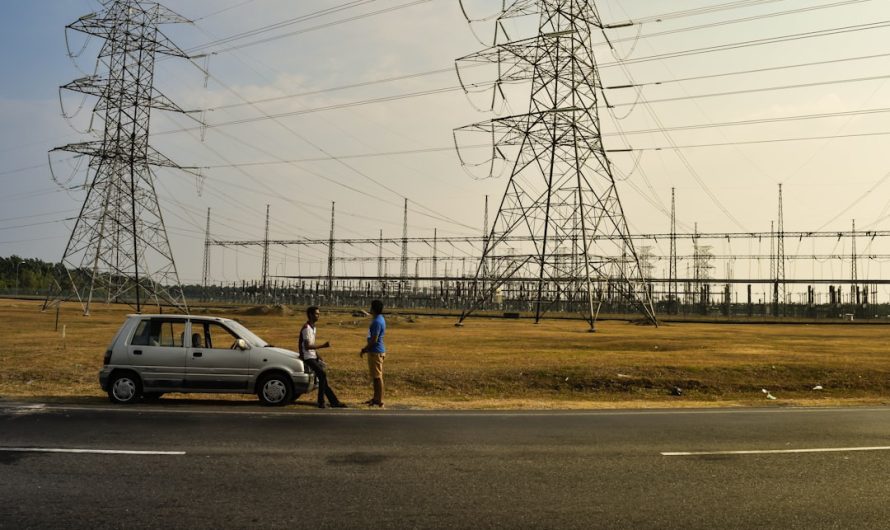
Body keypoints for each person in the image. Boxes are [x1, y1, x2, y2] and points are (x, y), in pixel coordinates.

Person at [299, 306, 347, 409]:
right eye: (316, 314)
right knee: (322, 374)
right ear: (311, 315)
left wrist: (318, 356)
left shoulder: (313, 327)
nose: (318, 316)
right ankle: (322, 402)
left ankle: (333, 402)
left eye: (318, 314)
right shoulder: (306, 328)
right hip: (307, 357)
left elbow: (312, 344)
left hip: (312, 356)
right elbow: (307, 347)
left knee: (323, 378)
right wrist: (323, 346)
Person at [359, 299, 386, 407]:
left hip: (376, 352)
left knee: (378, 377)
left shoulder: (377, 322)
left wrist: (364, 349)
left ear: (373, 309)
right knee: (375, 377)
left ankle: (379, 399)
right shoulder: (379, 319)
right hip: (375, 351)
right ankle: (375, 398)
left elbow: (374, 339)